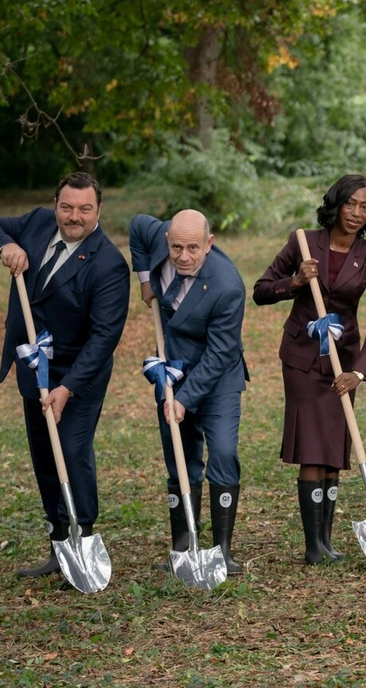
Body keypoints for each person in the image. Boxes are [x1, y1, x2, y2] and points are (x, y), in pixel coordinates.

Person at [0, 172, 130, 579]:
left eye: (84, 209)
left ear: (98, 210)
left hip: (79, 375)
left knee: (72, 453)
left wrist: (67, 388)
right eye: (66, 206)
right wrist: (6, 246)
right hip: (34, 366)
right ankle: (58, 547)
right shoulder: (38, 223)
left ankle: (84, 541)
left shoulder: (110, 265)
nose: (73, 216)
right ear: (55, 204)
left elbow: (104, 337)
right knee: (44, 456)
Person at [253, 175, 366, 565]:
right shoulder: (303, 243)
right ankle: (313, 546)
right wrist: (296, 280)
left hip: (342, 363)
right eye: (351, 204)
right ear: (336, 204)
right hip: (301, 357)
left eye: (365, 207)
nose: (356, 213)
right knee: (313, 448)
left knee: (333, 451)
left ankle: (327, 541)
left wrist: (359, 372)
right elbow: (261, 290)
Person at [130, 209, 250, 574]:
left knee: (224, 453)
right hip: (173, 369)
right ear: (168, 239)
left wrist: (184, 399)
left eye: (193, 248)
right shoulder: (159, 238)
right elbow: (137, 226)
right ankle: (183, 547)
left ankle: (222, 551)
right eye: (177, 247)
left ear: (209, 244)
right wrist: (145, 279)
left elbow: (219, 354)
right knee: (179, 457)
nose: (183, 256)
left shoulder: (228, 287)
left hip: (218, 376)